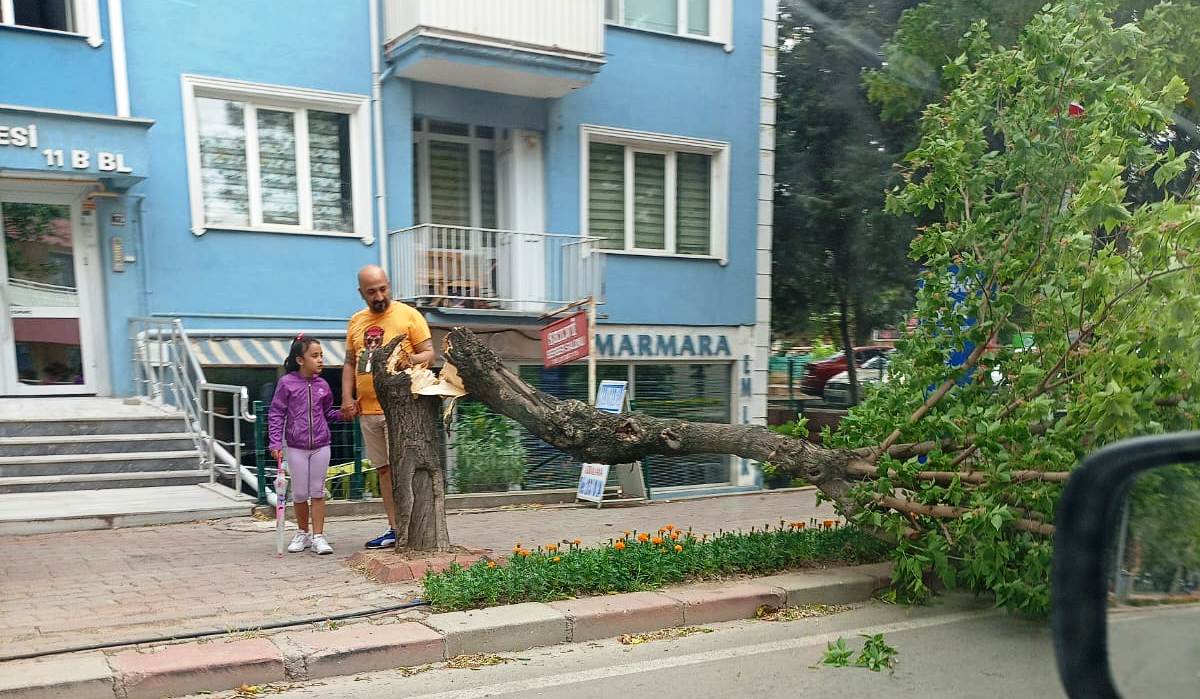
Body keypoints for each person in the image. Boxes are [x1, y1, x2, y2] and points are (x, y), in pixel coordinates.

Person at [342, 265, 434, 549]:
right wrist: (347, 397)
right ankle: (394, 528)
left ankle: (414, 527)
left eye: (383, 288)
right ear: (361, 293)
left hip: (400, 409)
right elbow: (349, 363)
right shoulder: (356, 321)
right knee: (384, 470)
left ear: (389, 285)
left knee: (404, 469)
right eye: (372, 291)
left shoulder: (409, 315)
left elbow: (430, 352)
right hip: (367, 410)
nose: (379, 295)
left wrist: (411, 361)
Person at [268, 335, 342, 555]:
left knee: (317, 492)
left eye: (322, 356)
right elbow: (276, 413)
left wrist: (345, 414)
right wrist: (275, 442)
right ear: (300, 360)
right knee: (300, 493)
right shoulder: (286, 383)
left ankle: (319, 536)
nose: (320, 360)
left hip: (321, 445)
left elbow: (328, 413)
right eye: (315, 356)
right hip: (296, 447)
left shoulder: (323, 385)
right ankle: (303, 533)